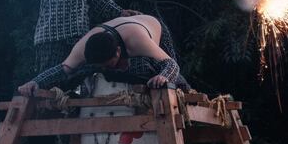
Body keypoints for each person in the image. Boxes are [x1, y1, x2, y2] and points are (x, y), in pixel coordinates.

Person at [19, 14, 188, 95]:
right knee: (79, 73)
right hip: (115, 37)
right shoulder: (81, 48)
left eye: (110, 63)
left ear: (118, 52)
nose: (108, 67)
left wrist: (164, 77)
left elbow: (171, 64)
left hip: (152, 27)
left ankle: (186, 90)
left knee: (170, 78)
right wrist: (36, 82)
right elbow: (63, 69)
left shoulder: (137, 41)